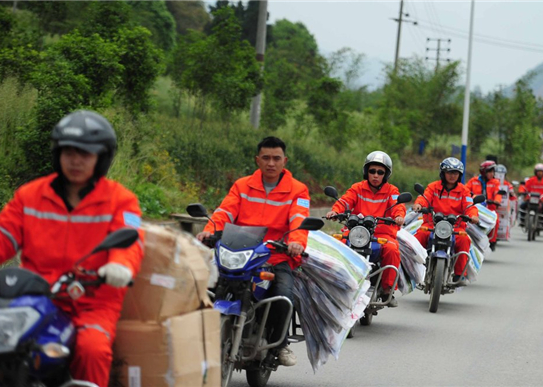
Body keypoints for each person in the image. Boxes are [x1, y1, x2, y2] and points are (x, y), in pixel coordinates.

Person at [0, 110, 144, 386]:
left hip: (90, 301)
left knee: (92, 349)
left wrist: (120, 266)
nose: (76, 160)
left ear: (101, 158)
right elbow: (1, 236)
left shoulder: (121, 200)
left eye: (85, 154)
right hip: (34, 298)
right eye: (69, 152)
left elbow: (130, 241)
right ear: (58, 154)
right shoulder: (30, 195)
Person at [196, 136, 309, 367]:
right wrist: (209, 231)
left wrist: (296, 241)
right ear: (257, 160)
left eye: (276, 158)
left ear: (284, 161)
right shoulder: (242, 185)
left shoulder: (298, 190)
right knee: (202, 284)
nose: (271, 163)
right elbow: (224, 212)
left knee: (284, 295)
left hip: (275, 256)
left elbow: (299, 219)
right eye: (265, 158)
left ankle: (280, 344)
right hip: (238, 252)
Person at [325, 151, 406, 308]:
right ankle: (333, 282)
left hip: (381, 234)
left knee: (392, 249)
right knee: (336, 244)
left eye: (380, 172)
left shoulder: (392, 191)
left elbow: (398, 206)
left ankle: (387, 289)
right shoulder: (357, 188)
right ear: (366, 172)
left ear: (386, 174)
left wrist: (399, 216)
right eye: (372, 171)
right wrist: (335, 211)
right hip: (356, 232)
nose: (375, 175)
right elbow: (344, 201)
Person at [412, 157, 479, 286]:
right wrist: (419, 205)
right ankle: (415, 268)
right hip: (432, 225)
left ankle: (460, 275)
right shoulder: (433, 187)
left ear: (460, 175)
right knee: (419, 236)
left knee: (465, 240)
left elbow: (470, 206)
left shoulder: (464, 191)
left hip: (455, 228)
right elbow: (424, 198)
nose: (452, 176)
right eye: (449, 172)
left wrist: (473, 216)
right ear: (443, 173)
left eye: (455, 173)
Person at [466, 160, 502, 251]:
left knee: (496, 220)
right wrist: (473, 197)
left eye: (493, 171)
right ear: (484, 172)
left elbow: (498, 193)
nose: (492, 173)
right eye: (490, 171)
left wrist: (497, 201)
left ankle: (492, 241)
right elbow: (465, 191)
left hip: (489, 209)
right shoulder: (473, 181)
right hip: (475, 207)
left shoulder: (495, 182)